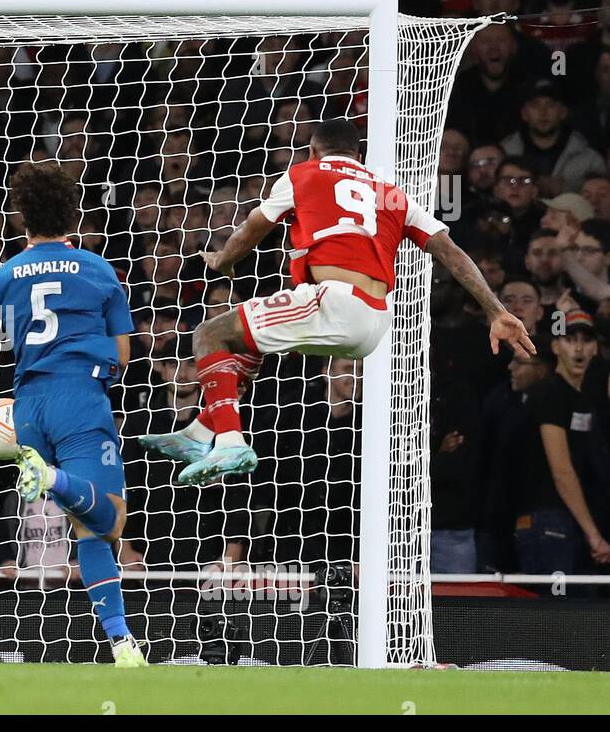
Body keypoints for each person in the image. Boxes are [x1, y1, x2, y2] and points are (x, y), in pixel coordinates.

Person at [139, 117, 536, 486]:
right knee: (248, 343)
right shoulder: (392, 193)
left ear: (313, 152)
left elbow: (252, 229)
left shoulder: (303, 174)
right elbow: (451, 252)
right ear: (359, 157)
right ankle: (199, 433)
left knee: (210, 334)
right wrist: (497, 311)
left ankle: (228, 442)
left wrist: (223, 260)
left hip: (333, 302)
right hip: (375, 320)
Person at [0, 161, 146, 668]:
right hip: (81, 400)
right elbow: (123, 355)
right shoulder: (101, 271)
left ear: (21, 218)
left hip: (27, 407)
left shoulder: (2, 276)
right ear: (72, 213)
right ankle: (54, 479)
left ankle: (122, 643)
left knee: (87, 525)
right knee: (108, 522)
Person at [515, 312, 610, 573]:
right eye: (570, 339)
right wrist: (593, 533)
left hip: (567, 522)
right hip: (547, 520)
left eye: (586, 340)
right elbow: (562, 470)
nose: (579, 348)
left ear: (595, 349)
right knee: (555, 612)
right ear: (555, 346)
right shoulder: (550, 393)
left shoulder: (582, 399)